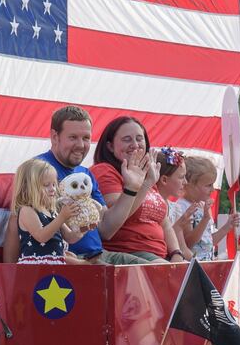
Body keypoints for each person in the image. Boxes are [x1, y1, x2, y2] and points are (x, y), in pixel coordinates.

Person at [37, 106, 158, 263]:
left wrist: (132, 188)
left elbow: (106, 229)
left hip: (99, 255)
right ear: (54, 137)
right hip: (70, 261)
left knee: (160, 273)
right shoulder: (38, 169)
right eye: (73, 137)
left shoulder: (86, 174)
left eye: (86, 138)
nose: (81, 145)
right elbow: (21, 223)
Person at [89, 116, 183, 263]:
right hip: (128, 254)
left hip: (159, 256)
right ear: (110, 146)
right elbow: (115, 219)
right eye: (127, 139)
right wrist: (144, 185)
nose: (135, 145)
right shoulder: (105, 170)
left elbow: (164, 223)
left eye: (139, 139)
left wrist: (177, 254)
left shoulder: (145, 175)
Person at [3, 158, 85, 264]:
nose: (53, 189)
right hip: (36, 268)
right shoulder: (27, 210)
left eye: (54, 185)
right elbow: (41, 236)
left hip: (55, 265)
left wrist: (84, 227)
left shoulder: (52, 212)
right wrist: (62, 217)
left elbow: (70, 237)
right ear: (28, 188)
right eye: (46, 185)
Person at [168, 155, 233, 262]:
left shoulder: (203, 206)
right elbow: (188, 243)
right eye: (208, 185)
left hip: (206, 263)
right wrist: (205, 219)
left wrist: (226, 227)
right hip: (193, 265)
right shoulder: (182, 207)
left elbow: (207, 243)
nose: (212, 190)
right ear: (189, 184)